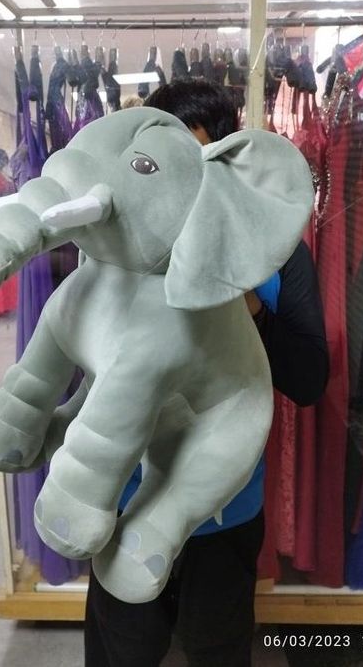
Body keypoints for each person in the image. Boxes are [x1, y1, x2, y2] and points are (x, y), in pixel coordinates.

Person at [84, 79, 329, 667]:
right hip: (123, 502)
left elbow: (308, 378)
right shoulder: (116, 243)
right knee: (122, 650)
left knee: (218, 648)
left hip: (225, 510)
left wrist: (243, 296)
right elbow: (78, 353)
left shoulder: (275, 252)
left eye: (191, 160)